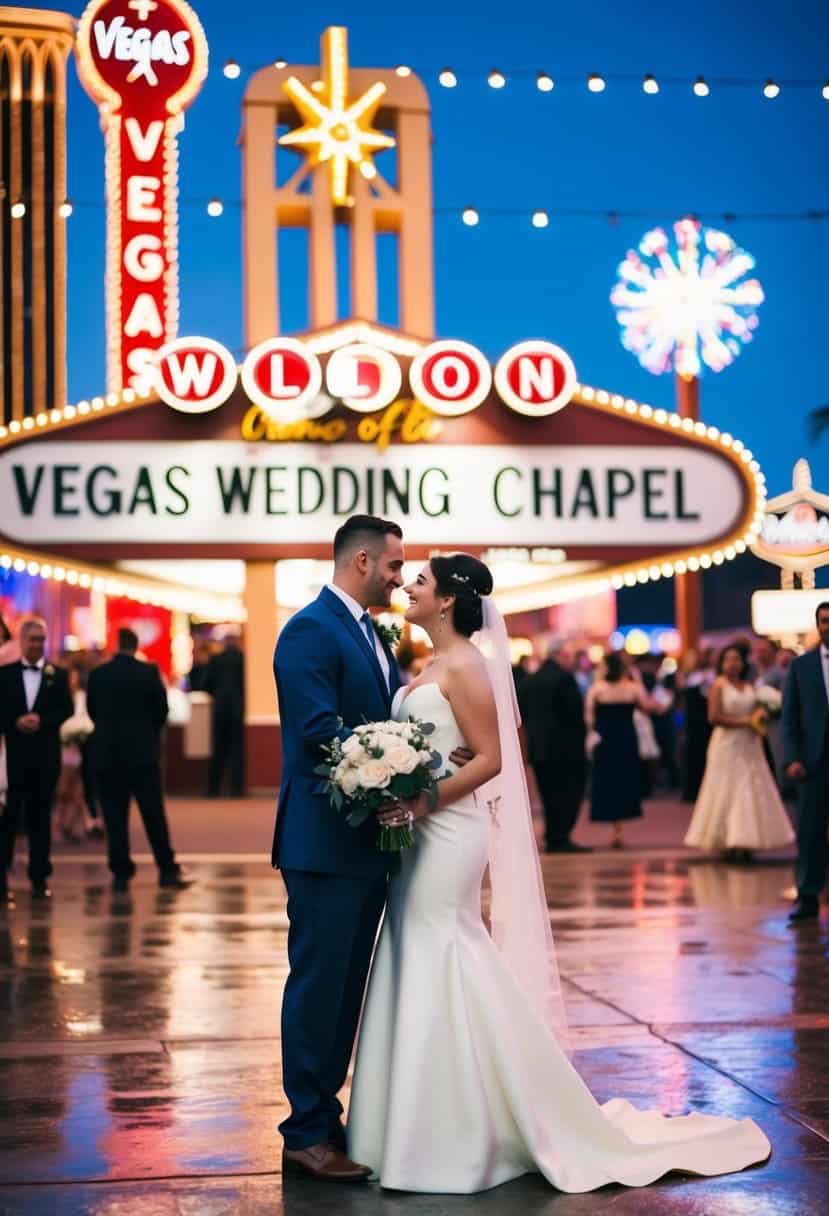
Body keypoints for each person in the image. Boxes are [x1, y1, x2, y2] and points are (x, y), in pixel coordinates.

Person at [346, 554, 770, 1193]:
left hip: (446, 831)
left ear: (450, 602)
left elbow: (490, 759)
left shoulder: (464, 665)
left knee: (446, 947)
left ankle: (458, 1128)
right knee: (415, 949)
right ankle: (420, 1119)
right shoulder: (429, 665)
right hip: (416, 831)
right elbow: (444, 745)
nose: (409, 586)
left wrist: (422, 798)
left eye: (422, 582)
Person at [87, 627, 192, 893]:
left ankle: (121, 873)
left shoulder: (99, 675)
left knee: (114, 817)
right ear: (135, 647)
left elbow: (93, 711)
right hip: (142, 756)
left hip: (108, 756)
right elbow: (162, 711)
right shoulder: (148, 673)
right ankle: (166, 869)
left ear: (116, 645)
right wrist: (148, 736)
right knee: (153, 815)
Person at [685, 644, 794, 863]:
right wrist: (746, 721)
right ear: (722, 663)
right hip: (727, 742)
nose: (733, 664)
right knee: (727, 787)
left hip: (749, 743)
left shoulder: (750, 686)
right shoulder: (718, 685)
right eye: (728, 660)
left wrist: (762, 714)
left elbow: (759, 708)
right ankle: (727, 838)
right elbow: (714, 716)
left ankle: (746, 840)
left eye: (736, 659)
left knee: (750, 786)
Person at [0, 617, 73, 901]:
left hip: (45, 758)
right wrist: (15, 722)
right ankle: (2, 875)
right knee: (8, 820)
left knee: (40, 819)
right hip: (14, 759)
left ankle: (39, 877)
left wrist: (42, 721)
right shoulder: (4, 674)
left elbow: (66, 709)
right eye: (32, 640)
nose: (37, 645)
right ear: (21, 642)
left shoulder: (59, 675)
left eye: (42, 640)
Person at [782, 603, 829, 921]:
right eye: (825, 621)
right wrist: (793, 757)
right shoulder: (801, 667)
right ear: (817, 625)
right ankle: (809, 895)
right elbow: (790, 718)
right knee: (810, 830)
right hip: (814, 761)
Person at [519, 641, 590, 853]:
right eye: (567, 656)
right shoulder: (564, 679)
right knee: (568, 793)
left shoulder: (530, 680)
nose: (570, 660)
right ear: (558, 655)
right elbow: (575, 714)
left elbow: (521, 713)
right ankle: (560, 837)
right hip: (566, 749)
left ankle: (553, 835)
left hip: (539, 749)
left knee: (548, 795)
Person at [585, 652, 656, 848]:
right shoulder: (632, 688)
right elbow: (649, 707)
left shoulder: (597, 689)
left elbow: (589, 718)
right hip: (626, 738)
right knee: (625, 779)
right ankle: (620, 826)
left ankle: (614, 825)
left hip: (606, 739)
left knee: (607, 780)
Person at [204, 634, 245, 797]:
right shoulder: (243, 659)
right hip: (238, 710)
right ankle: (237, 789)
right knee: (237, 751)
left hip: (219, 709)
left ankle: (214, 789)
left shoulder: (216, 659)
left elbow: (205, 684)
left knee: (218, 750)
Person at [680, 647, 715, 802]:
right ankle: (692, 791)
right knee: (694, 756)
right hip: (693, 724)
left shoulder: (709, 676)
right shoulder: (688, 677)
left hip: (704, 724)